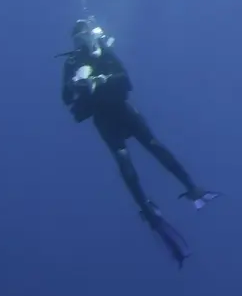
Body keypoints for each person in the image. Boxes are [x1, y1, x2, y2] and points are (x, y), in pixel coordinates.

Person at [61, 19, 218, 266]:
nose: (82, 42)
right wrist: (74, 85)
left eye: (84, 36)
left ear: (91, 36)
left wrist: (101, 80)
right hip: (104, 118)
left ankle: (190, 187)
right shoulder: (72, 63)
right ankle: (146, 207)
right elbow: (66, 99)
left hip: (122, 110)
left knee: (154, 146)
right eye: (77, 39)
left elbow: (126, 80)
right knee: (124, 162)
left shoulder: (104, 52)